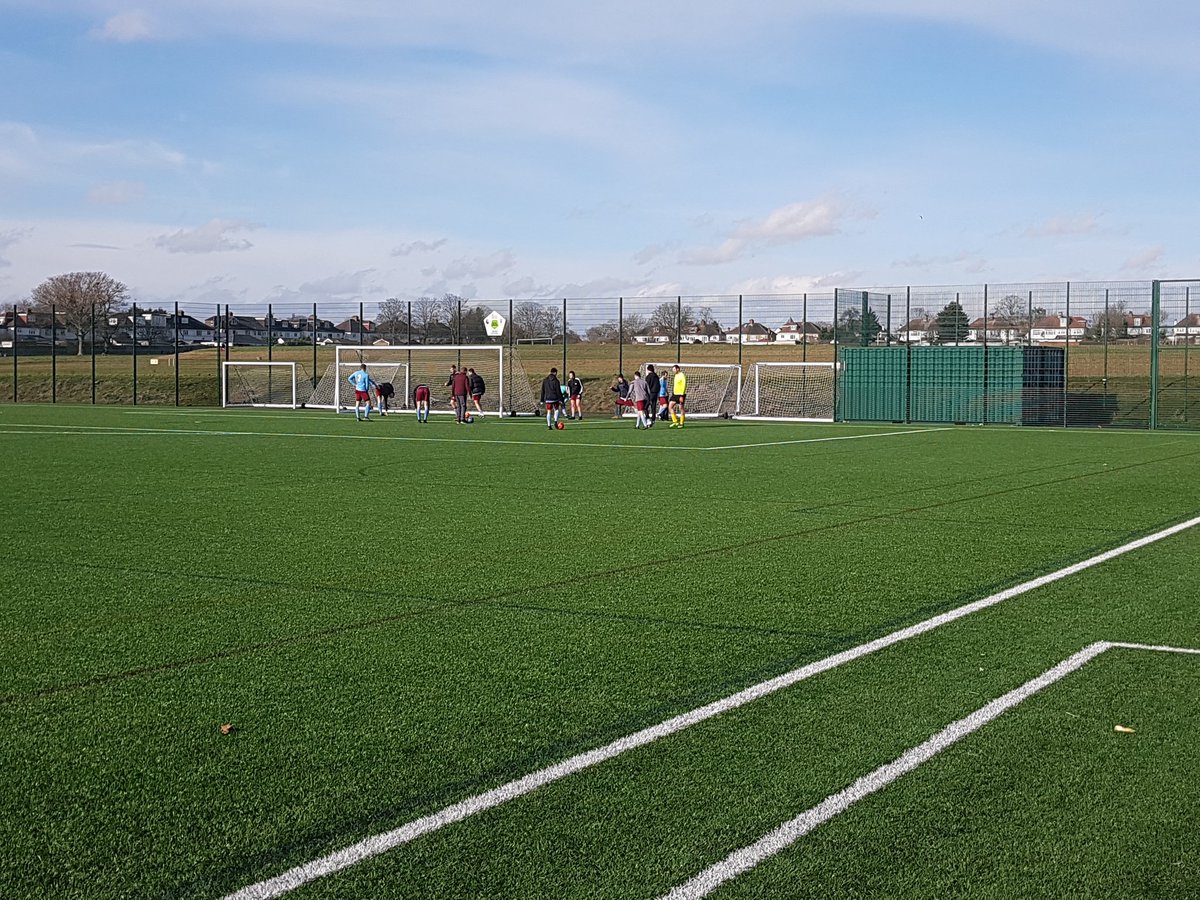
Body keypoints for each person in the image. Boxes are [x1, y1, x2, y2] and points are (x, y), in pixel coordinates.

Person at [669, 363, 687, 428]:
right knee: (670, 407)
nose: (673, 370)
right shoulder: (676, 375)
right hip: (675, 394)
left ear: (678, 369)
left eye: (674, 369)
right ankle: (675, 422)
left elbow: (684, 385)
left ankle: (681, 423)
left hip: (680, 394)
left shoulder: (682, 375)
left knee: (681, 408)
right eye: (672, 369)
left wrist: (682, 395)